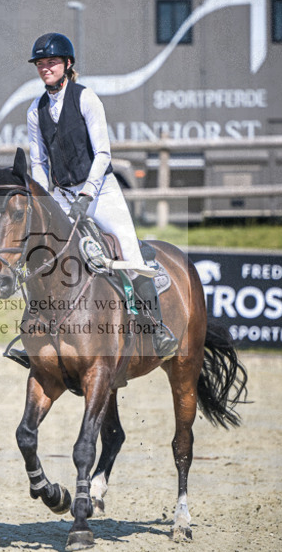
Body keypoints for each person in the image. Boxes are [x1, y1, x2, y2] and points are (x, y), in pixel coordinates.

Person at [25, 32, 178, 359]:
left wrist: (87, 193)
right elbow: (38, 161)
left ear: (67, 64)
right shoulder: (35, 111)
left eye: (51, 62)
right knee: (44, 256)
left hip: (100, 192)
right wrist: (44, 199)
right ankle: (37, 330)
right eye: (40, 63)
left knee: (131, 258)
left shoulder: (86, 98)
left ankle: (156, 327)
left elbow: (103, 154)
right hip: (63, 197)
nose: (45, 68)